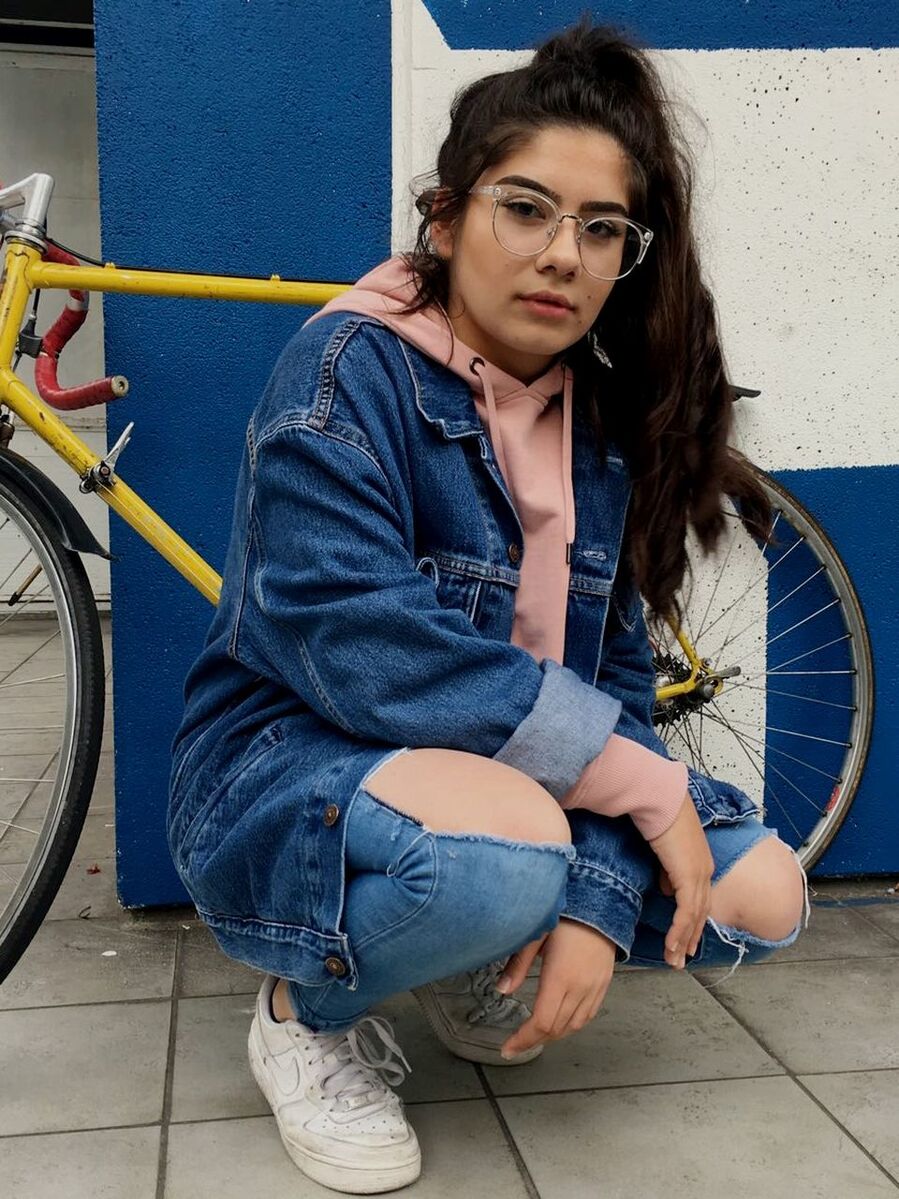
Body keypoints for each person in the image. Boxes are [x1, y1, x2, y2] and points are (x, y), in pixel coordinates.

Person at [168, 18, 809, 1194]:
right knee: (513, 850)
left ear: (628, 254)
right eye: (524, 208)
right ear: (447, 217)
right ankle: (301, 1013)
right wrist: (631, 801)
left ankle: (482, 936)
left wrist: (597, 899)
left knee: (762, 894)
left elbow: (609, 677)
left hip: (504, 782)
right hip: (292, 770)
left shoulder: (596, 422)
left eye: (600, 227)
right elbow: (370, 653)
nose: (561, 254)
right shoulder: (340, 377)